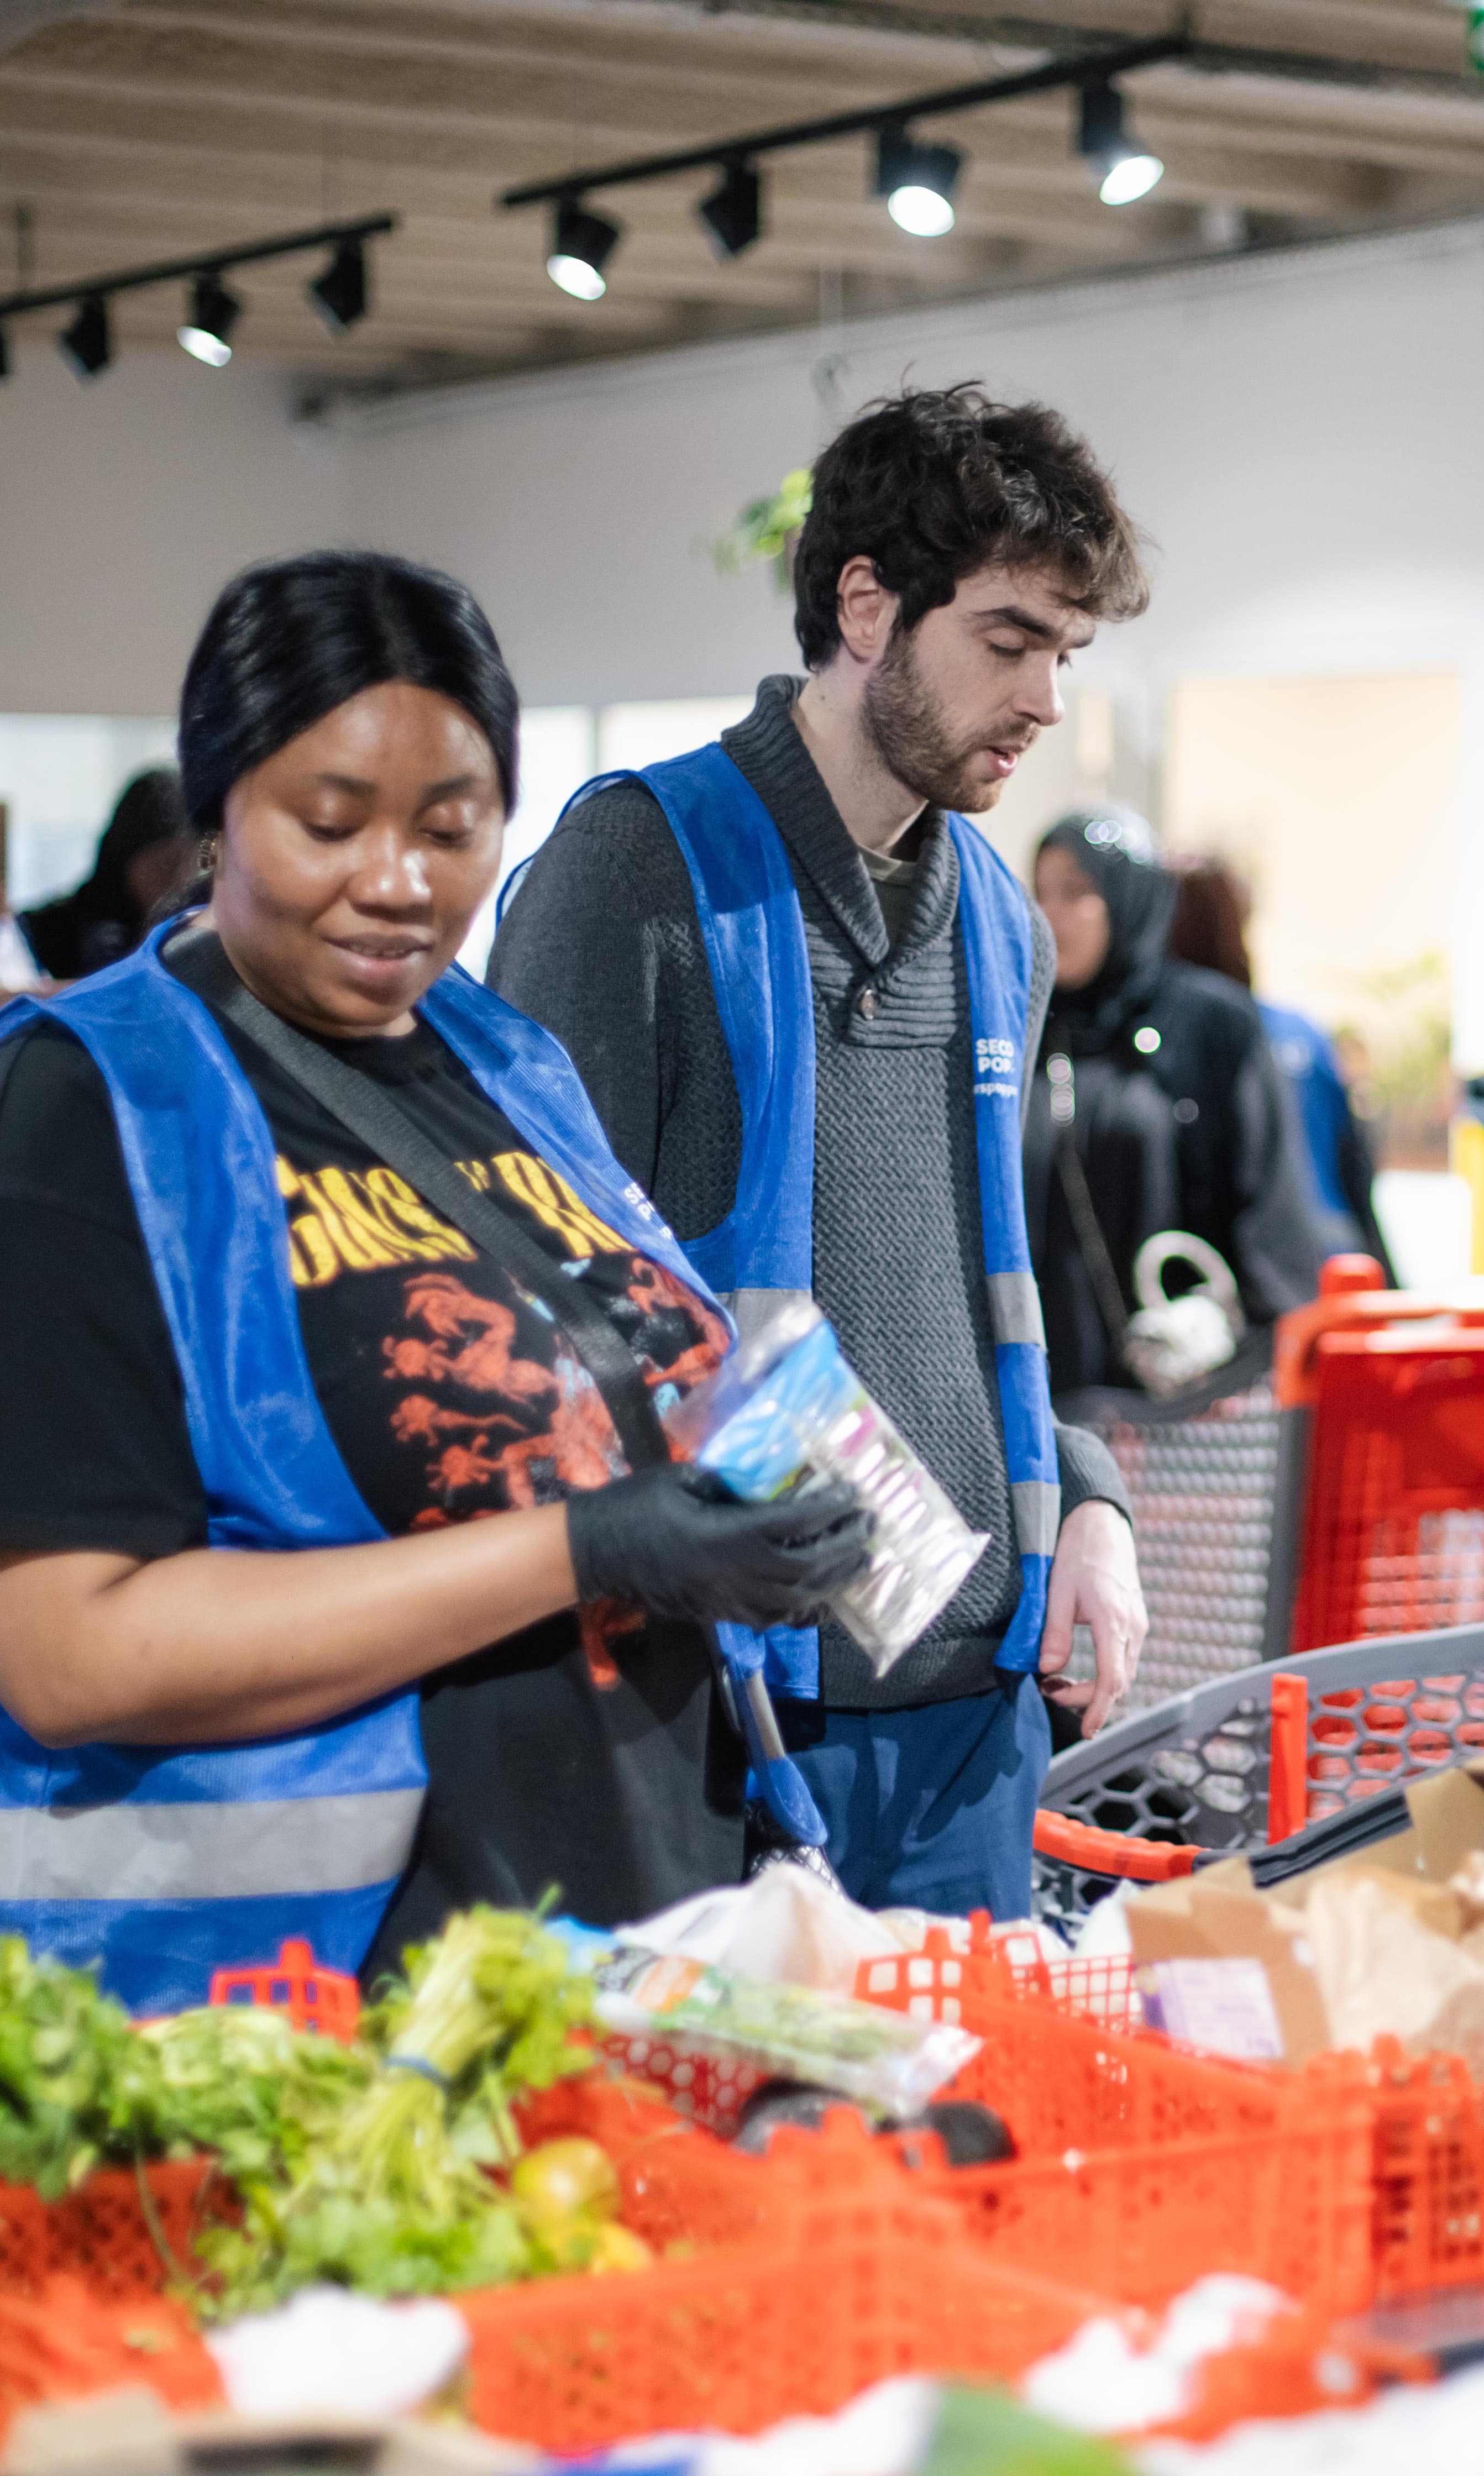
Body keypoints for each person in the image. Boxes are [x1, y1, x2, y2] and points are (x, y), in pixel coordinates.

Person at [0, 552, 872, 2012]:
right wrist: (588, 1550)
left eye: (452, 829)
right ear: (217, 810)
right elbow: (67, 1652)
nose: (398, 884)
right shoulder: (84, 1108)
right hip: (293, 2017)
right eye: (331, 823)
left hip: (627, 1947)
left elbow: (621, 1364)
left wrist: (776, 1482)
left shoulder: (501, 1058)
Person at [489, 385, 1153, 1919]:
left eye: (1066, 650)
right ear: (867, 605)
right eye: (1008, 640)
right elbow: (527, 1306)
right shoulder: (633, 875)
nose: (1047, 697)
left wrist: (1093, 1498)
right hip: (717, 1721)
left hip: (973, 1722)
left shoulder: (997, 921)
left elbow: (991, 1304)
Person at [1025, 812, 1347, 1395]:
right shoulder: (1024, 1028)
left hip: (1187, 1401)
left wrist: (1246, 1342)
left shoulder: (1209, 1024)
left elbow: (1272, 1216)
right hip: (1050, 1397)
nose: (1053, 916)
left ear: (1131, 898)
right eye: (1041, 894)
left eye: (1077, 892)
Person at [1164, 853, 1390, 1277]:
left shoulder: (1176, 1045)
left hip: (1256, 1277)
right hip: (1335, 1262)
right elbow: (1354, 1167)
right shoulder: (1302, 1032)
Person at [18, 766, 192, 980]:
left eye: (192, 865)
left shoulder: (190, 937)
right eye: (168, 865)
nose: (181, 880)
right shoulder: (48, 934)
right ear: (125, 857)